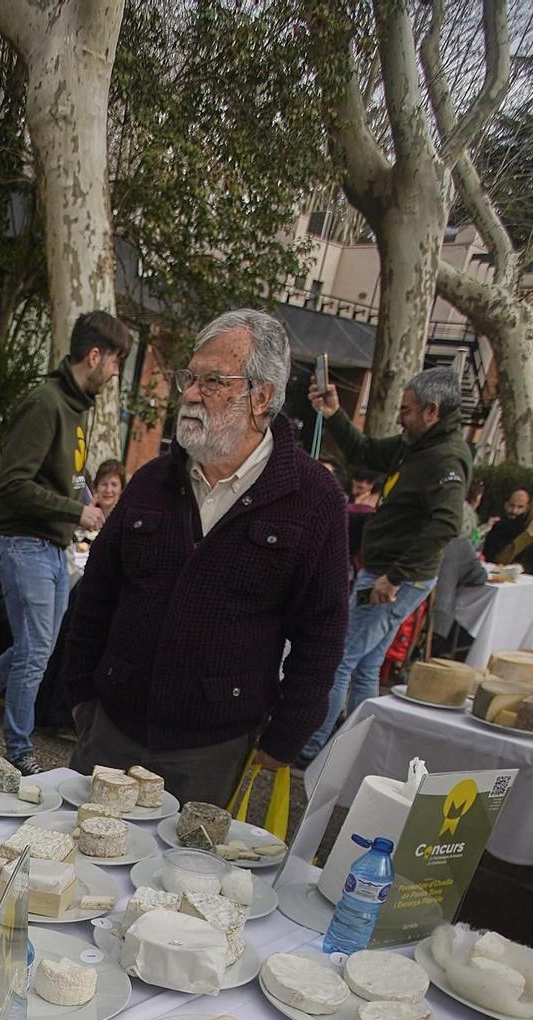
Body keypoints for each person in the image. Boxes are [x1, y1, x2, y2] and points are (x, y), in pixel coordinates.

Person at [64, 309, 349, 802]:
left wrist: (288, 732)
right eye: (190, 378)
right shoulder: (153, 482)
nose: (192, 394)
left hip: (211, 749)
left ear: (262, 397)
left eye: (213, 381)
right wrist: (77, 692)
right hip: (111, 728)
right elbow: (97, 594)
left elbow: (322, 630)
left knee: (183, 876)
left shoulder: (313, 498)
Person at [0, 308, 131, 775]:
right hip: (23, 543)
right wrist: (77, 510)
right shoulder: (46, 403)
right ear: (94, 356)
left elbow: (66, 478)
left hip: (48, 545)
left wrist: (86, 503)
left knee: (39, 647)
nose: (115, 373)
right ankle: (18, 749)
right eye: (115, 362)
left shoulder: (73, 410)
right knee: (35, 650)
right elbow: (12, 485)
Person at [299, 364, 471, 761]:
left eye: (407, 410)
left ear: (432, 411)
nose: (401, 417)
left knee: (341, 657)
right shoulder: (418, 447)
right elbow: (365, 452)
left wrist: (395, 577)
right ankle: (358, 747)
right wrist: (334, 414)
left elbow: (446, 523)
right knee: (364, 664)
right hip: (389, 572)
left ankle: (311, 746)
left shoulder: (444, 458)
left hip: (393, 576)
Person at [481, 487, 530, 561]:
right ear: (506, 505)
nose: (514, 511)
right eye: (512, 505)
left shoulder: (527, 527)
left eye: (520, 507)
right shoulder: (496, 525)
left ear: (526, 508)